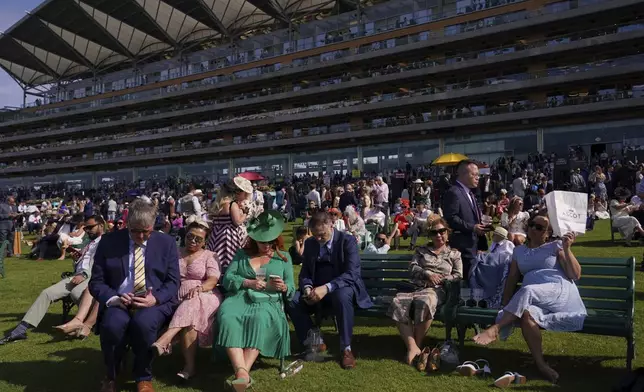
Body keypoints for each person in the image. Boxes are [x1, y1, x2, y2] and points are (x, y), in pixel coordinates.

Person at [473, 216, 586, 384]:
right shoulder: (518, 251)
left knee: (528, 290)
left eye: (539, 227)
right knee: (527, 315)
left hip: (559, 291)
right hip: (535, 298)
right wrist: (505, 304)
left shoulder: (555, 246)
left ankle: (495, 328)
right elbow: (512, 278)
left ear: (548, 233)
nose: (533, 228)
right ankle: (541, 365)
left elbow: (575, 275)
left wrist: (567, 248)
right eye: (531, 224)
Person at [90, 199, 180, 392]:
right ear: (127, 224)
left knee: (144, 324)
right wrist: (114, 298)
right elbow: (96, 282)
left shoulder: (167, 243)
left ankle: (143, 376)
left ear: (153, 225)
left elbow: (173, 282)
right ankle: (111, 375)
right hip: (118, 300)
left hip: (153, 301)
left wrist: (154, 299)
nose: (141, 236)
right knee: (113, 325)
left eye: (146, 231)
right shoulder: (109, 242)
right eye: (135, 231)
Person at [216, 211, 295, 391]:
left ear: (275, 239)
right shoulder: (242, 254)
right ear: (254, 240)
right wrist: (247, 282)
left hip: (268, 300)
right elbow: (227, 279)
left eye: (269, 242)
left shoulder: (283, 257)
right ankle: (242, 374)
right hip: (239, 297)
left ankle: (242, 374)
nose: (265, 245)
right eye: (261, 242)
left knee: (260, 318)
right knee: (228, 316)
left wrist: (283, 287)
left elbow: (291, 286)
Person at [0, 215, 104, 345]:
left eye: (90, 227)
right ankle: (21, 330)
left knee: (76, 293)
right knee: (47, 293)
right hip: (76, 275)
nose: (87, 230)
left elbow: (101, 263)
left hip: (91, 277)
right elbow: (87, 260)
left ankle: (87, 325)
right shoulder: (91, 242)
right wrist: (78, 258)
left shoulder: (106, 241)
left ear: (101, 225)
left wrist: (84, 274)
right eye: (86, 227)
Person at [287, 211, 373, 369]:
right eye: (315, 235)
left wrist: (326, 288)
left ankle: (346, 349)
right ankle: (314, 339)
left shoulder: (347, 241)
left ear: (332, 225)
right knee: (293, 300)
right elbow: (305, 272)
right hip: (317, 289)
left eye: (322, 235)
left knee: (341, 297)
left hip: (343, 287)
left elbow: (352, 274)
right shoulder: (311, 243)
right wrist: (307, 288)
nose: (318, 239)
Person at [151, 218, 222, 380]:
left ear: (205, 241)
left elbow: (212, 280)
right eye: (190, 236)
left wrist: (199, 288)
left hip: (206, 295)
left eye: (199, 239)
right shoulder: (175, 252)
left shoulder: (210, 255)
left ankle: (165, 339)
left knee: (192, 300)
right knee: (190, 320)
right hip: (177, 295)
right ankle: (189, 368)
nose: (193, 241)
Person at [387, 218, 462, 366]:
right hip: (415, 287)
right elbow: (412, 267)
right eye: (434, 232)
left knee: (425, 302)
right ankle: (413, 347)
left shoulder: (454, 254)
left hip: (437, 290)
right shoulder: (421, 251)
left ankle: (418, 344)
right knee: (398, 302)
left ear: (447, 233)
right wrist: (427, 273)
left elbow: (459, 275)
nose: (438, 235)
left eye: (442, 231)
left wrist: (443, 278)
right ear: (430, 235)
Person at [443, 159, 486, 279]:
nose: (478, 177)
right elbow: (450, 218)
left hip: (473, 246)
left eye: (478, 174)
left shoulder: (470, 193)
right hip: (462, 248)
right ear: (462, 174)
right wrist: (473, 227)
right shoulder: (454, 192)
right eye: (474, 174)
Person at [207, 176, 252, 273]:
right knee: (230, 260)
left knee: (216, 260)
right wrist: (245, 213)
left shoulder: (216, 204)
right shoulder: (231, 204)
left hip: (216, 235)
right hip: (230, 235)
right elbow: (237, 222)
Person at [469, 227, 515, 309]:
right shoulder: (494, 243)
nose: (493, 236)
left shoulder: (508, 244)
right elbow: (490, 254)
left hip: (500, 264)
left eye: (495, 235)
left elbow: (509, 256)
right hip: (491, 264)